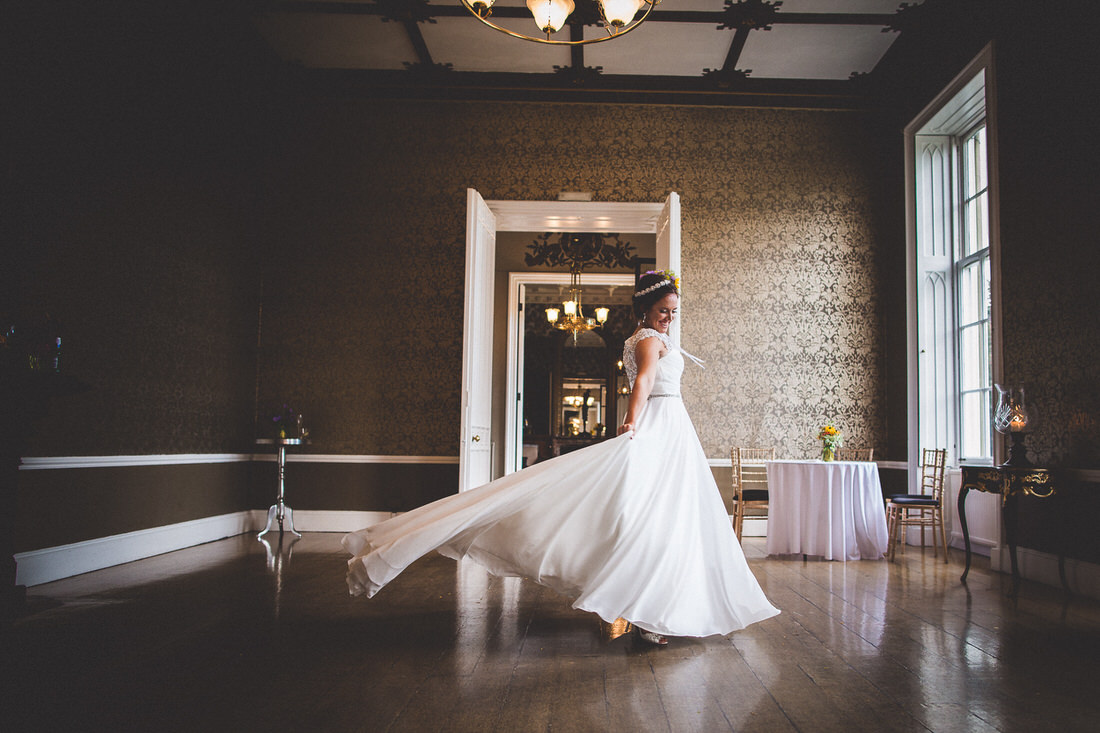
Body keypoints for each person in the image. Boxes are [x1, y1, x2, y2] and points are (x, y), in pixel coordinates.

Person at [343, 270, 779, 645]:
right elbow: (643, 381)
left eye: (674, 312)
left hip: (673, 429)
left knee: (664, 517)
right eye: (664, 310)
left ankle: (651, 604)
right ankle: (648, 612)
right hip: (659, 425)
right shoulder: (647, 339)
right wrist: (631, 422)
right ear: (645, 309)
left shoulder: (652, 335)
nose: (669, 318)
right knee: (655, 516)